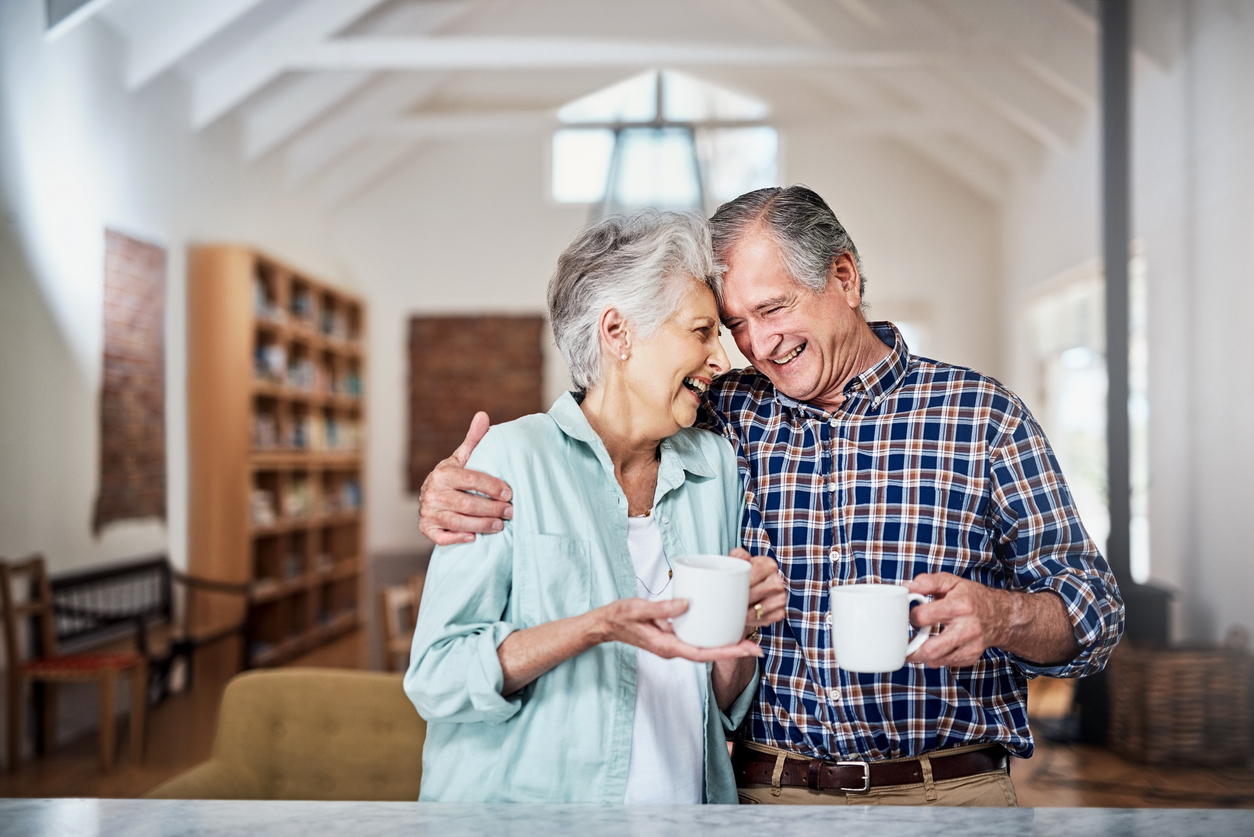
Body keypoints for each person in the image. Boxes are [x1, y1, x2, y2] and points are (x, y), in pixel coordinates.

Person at [418, 186, 1125, 807]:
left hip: (948, 791)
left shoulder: (981, 416)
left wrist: (1003, 615)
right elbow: (611, 412)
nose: (754, 345)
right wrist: (451, 486)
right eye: (730, 326)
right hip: (773, 795)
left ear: (843, 277)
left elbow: (1095, 613)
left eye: (774, 308)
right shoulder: (724, 416)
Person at [405, 210, 787, 804]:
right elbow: (439, 677)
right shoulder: (512, 458)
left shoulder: (716, 468)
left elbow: (717, 700)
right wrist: (595, 628)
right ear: (618, 333)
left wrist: (738, 629)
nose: (723, 360)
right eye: (700, 331)